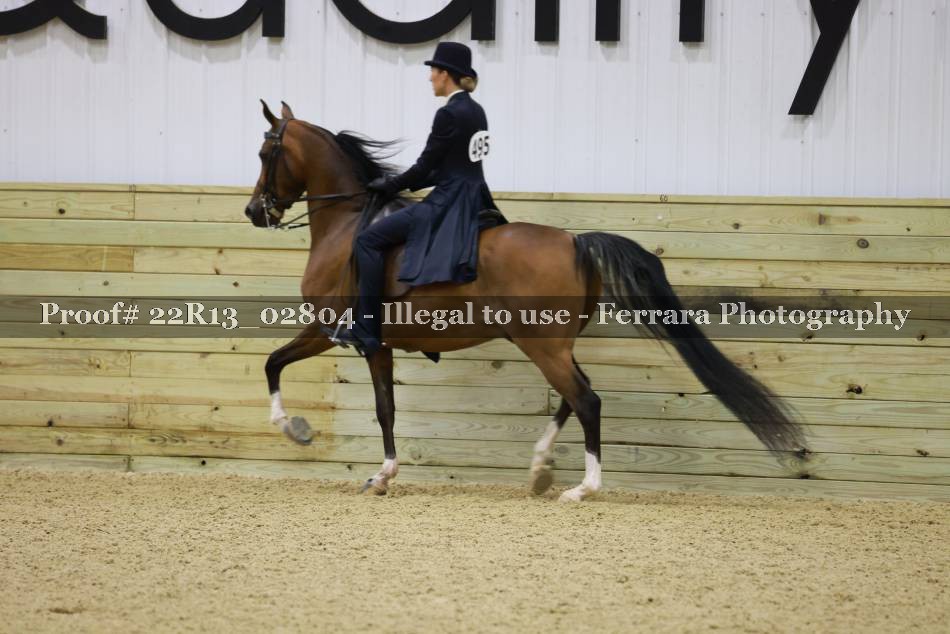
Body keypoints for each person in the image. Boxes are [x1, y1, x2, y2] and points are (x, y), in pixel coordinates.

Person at [328, 41, 503, 358]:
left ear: (445, 74)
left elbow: (425, 166)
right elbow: (452, 168)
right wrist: (399, 185)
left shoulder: (448, 113)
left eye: (433, 71)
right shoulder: (477, 111)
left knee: (367, 240)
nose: (430, 77)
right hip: (475, 197)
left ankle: (367, 327)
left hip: (449, 202)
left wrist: (390, 186)